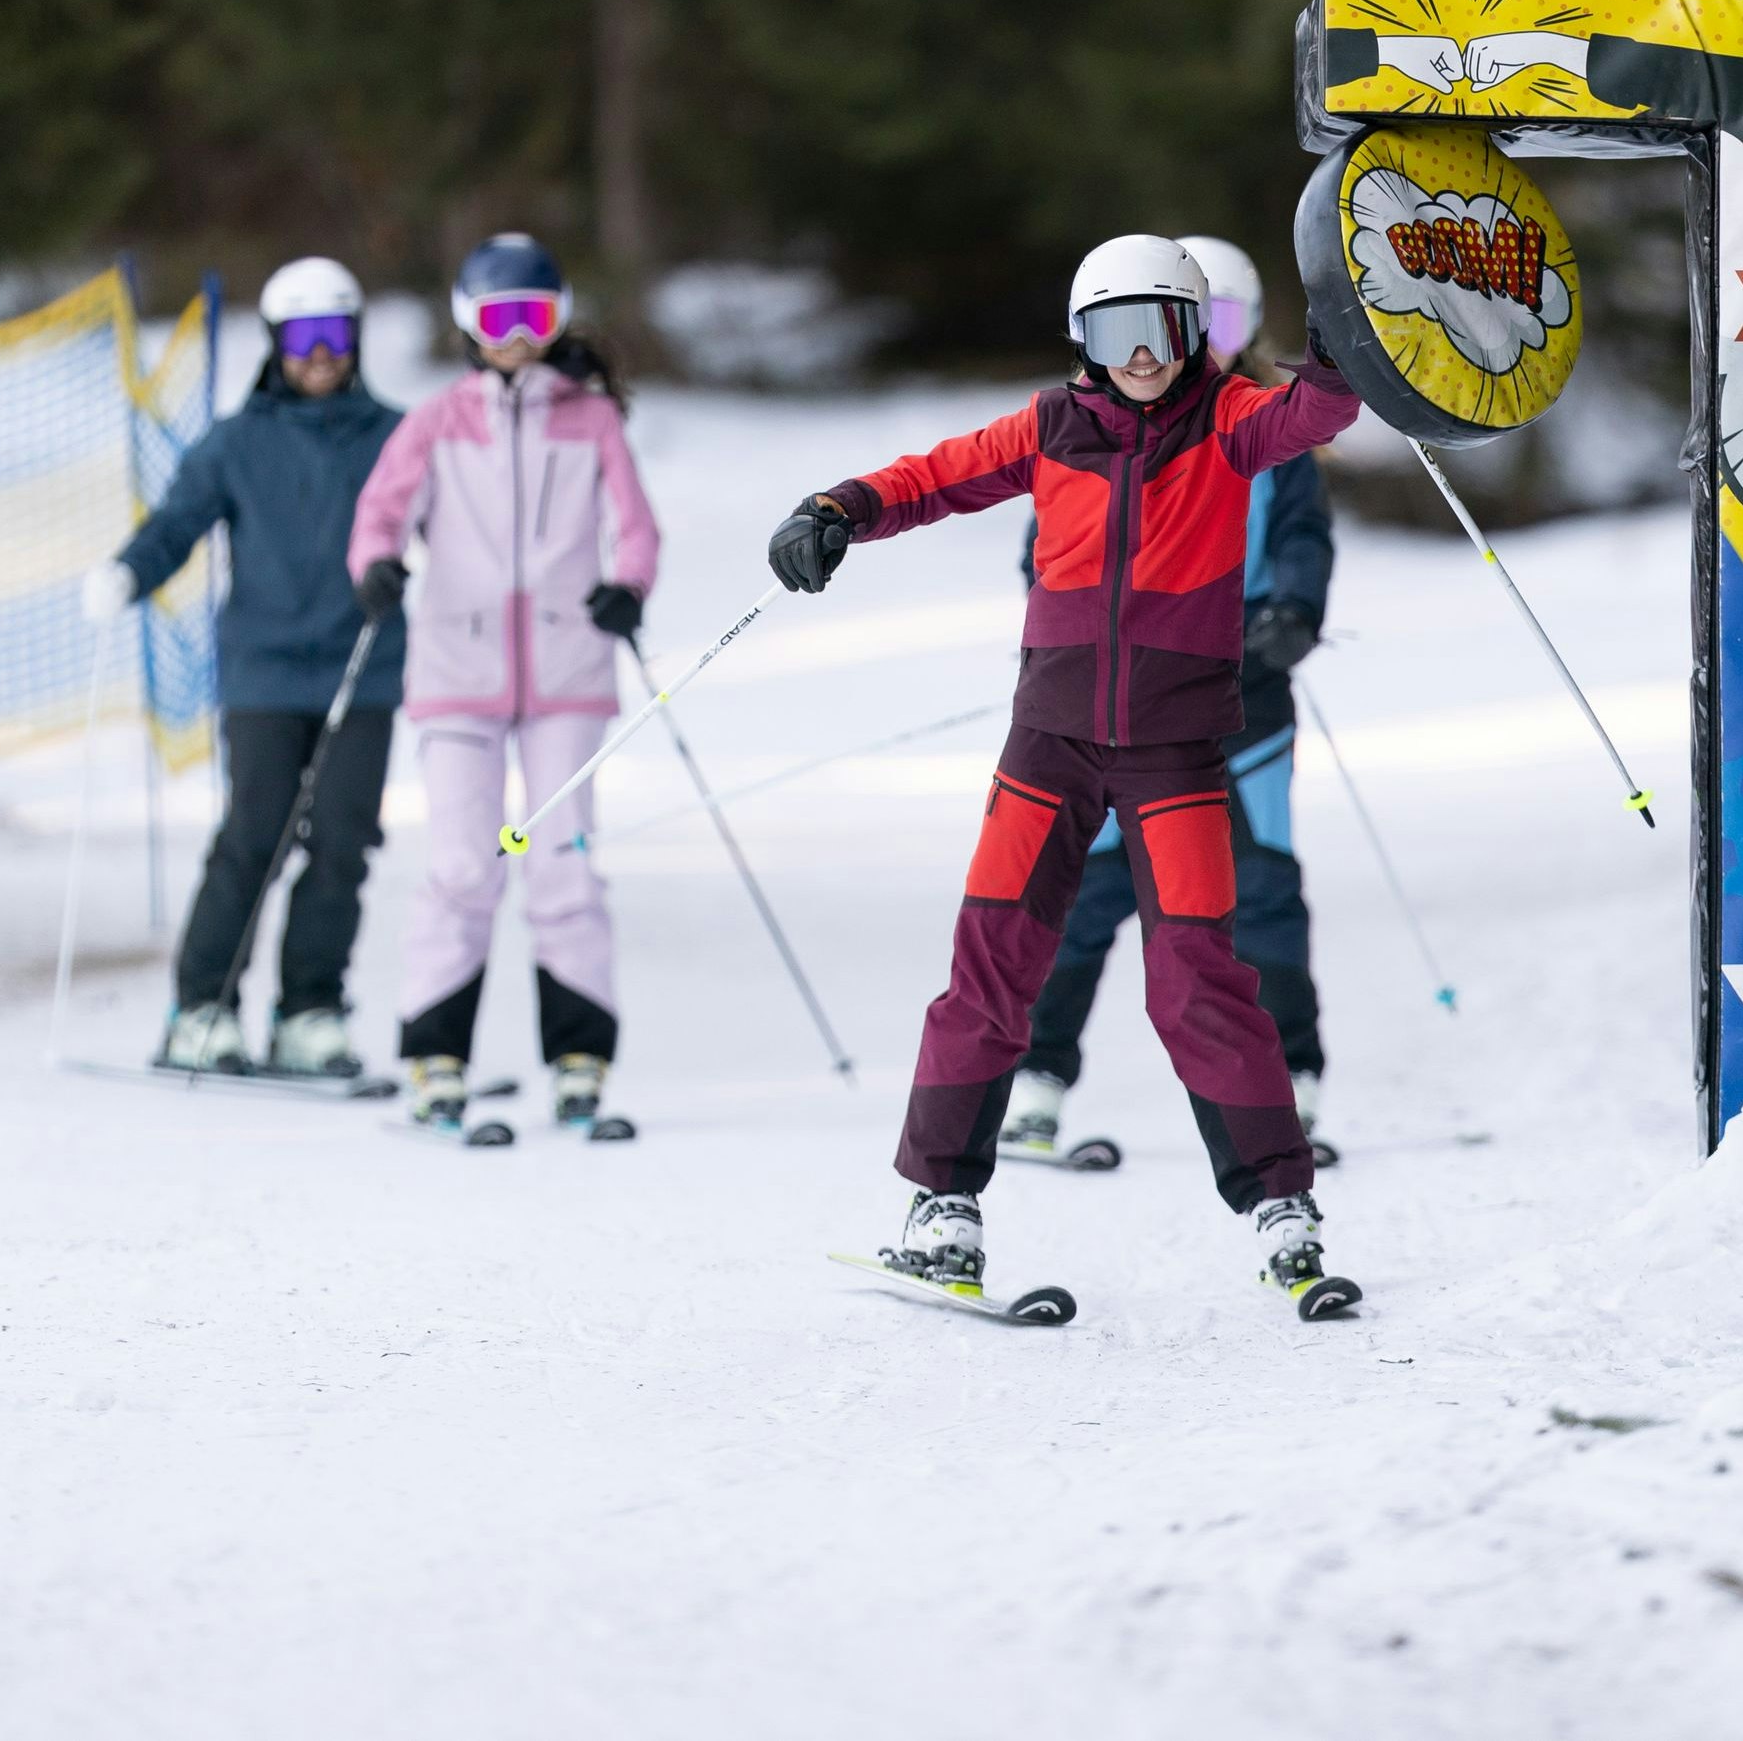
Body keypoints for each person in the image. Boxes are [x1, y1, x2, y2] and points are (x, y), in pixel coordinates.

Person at [768, 233, 1363, 1306]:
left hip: (1176, 755)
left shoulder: (1230, 422)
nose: (1141, 356)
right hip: (1047, 749)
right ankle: (941, 1202)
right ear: (1083, 340)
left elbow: (1315, 417)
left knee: (1198, 981)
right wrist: (839, 509)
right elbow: (937, 477)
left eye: (1163, 330)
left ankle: (1281, 1206)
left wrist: (1337, 348)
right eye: (1115, 332)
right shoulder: (1051, 427)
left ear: (1197, 333)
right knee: (991, 965)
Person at [1002, 235, 1339, 1166]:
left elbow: (1303, 538)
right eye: (1189, 320)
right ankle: (1038, 1082)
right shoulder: (1097, 428)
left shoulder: (1266, 426)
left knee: (1259, 884)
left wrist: (1294, 611)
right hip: (1126, 706)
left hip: (1245, 700)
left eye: (1224, 320)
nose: (1202, 341)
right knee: (1087, 891)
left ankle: (1292, 1083)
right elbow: (1050, 547)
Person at [349, 234, 660, 1139]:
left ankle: (579, 1057)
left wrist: (627, 588)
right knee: (461, 866)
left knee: (563, 865)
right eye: (498, 319)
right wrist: (377, 567)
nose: (517, 336)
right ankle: (435, 1055)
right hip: (458, 672)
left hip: (567, 672)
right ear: (467, 326)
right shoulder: (438, 421)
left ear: (557, 320)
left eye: (534, 317)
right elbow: (380, 515)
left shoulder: (591, 420)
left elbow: (637, 528)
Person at [88, 257, 406, 1077]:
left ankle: (309, 1013)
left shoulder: (394, 437)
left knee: (341, 845)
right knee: (252, 839)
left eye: (334, 335)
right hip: (264, 673)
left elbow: (459, 514)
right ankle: (203, 1009)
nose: (320, 355)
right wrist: (129, 573)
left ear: (356, 340)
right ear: (274, 344)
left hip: (362, 669)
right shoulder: (237, 441)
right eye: (303, 338)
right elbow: (176, 523)